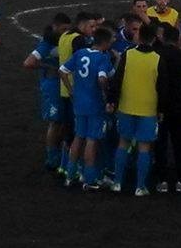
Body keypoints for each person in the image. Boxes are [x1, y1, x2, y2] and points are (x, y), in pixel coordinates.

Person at [107, 22, 168, 196]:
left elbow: (117, 79)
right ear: (154, 39)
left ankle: (117, 182)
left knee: (123, 143)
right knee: (144, 148)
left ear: (139, 37)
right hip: (148, 109)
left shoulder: (128, 55)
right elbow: (162, 88)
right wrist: (161, 109)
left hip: (126, 106)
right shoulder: (157, 59)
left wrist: (112, 100)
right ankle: (140, 187)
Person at [59, 26, 115, 191]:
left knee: (78, 137)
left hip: (79, 103)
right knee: (91, 140)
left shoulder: (80, 53)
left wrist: (71, 91)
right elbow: (103, 79)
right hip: (95, 105)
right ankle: (90, 179)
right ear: (104, 42)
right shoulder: (103, 58)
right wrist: (106, 95)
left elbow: (62, 71)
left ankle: (70, 175)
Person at [23, 12, 72, 170]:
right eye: (63, 28)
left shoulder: (65, 40)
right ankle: (52, 156)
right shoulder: (47, 43)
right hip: (51, 84)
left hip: (63, 83)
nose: (65, 32)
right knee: (55, 121)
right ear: (55, 27)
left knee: (64, 120)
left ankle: (58, 153)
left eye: (67, 29)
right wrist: (50, 67)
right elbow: (29, 63)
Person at [55, 12, 99, 176]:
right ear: (82, 25)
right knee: (78, 133)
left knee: (68, 131)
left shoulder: (65, 36)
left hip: (64, 90)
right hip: (76, 92)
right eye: (91, 26)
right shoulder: (79, 40)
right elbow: (81, 65)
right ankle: (76, 168)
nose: (94, 30)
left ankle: (63, 165)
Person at [152, 21, 181, 194]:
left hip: (159, 105)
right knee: (179, 145)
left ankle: (161, 181)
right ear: (177, 40)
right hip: (179, 105)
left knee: (160, 144)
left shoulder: (155, 54)